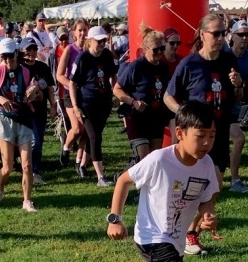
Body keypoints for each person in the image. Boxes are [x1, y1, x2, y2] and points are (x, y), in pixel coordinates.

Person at [106, 101, 219, 262]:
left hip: (175, 238)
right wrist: (115, 219)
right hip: (151, 235)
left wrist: (208, 215)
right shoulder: (159, 159)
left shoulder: (206, 163)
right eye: (199, 137)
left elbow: (207, 197)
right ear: (180, 133)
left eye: (211, 137)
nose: (206, 143)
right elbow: (124, 180)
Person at [165, 14, 243, 256]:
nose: (221, 38)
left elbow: (237, 98)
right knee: (200, 187)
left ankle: (187, 232)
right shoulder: (189, 64)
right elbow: (169, 96)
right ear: (202, 34)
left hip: (218, 133)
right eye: (216, 34)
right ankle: (188, 234)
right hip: (195, 138)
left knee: (215, 186)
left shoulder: (229, 59)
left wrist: (238, 83)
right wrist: (185, 114)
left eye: (224, 33)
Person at [0, 37, 42, 212]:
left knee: (27, 165)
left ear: (16, 54)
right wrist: (0, 98)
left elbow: (37, 96)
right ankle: (0, 188)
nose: (8, 60)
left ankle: (27, 201)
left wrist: (36, 92)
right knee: (8, 167)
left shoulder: (25, 72)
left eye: (10, 56)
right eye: (4, 57)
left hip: (24, 119)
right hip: (5, 120)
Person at [113, 27, 172, 164]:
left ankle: (129, 176)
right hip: (137, 117)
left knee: (154, 159)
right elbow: (117, 89)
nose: (160, 52)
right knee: (144, 157)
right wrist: (133, 102)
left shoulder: (163, 68)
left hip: (156, 117)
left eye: (162, 48)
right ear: (146, 48)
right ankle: (131, 179)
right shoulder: (136, 67)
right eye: (156, 49)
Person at [69, 26, 119, 186]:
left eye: (104, 40)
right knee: (95, 137)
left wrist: (115, 92)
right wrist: (75, 106)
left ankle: (82, 164)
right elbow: (72, 83)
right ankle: (100, 176)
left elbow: (113, 74)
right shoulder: (82, 58)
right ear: (90, 41)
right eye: (99, 41)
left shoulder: (106, 55)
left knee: (95, 135)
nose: (102, 44)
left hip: (104, 103)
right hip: (87, 104)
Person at [19, 36, 57, 186]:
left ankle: (34, 170)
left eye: (34, 49)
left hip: (40, 111)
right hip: (25, 112)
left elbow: (49, 88)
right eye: (28, 49)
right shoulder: (19, 68)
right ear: (22, 50)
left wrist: (53, 106)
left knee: (39, 142)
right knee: (33, 141)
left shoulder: (43, 67)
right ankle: (31, 171)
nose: (32, 52)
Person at [227, 20, 248, 193]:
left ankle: (232, 180)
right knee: (239, 139)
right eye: (241, 35)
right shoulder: (223, 54)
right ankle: (234, 180)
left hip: (235, 105)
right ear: (232, 36)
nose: (245, 38)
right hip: (219, 105)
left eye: (247, 34)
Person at [57, 19, 90, 170]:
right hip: (70, 94)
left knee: (87, 129)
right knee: (77, 128)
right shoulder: (70, 49)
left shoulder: (90, 49)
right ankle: (66, 148)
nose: (83, 33)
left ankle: (79, 162)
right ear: (74, 33)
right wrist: (72, 85)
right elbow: (59, 75)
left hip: (87, 94)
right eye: (80, 30)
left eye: (85, 30)